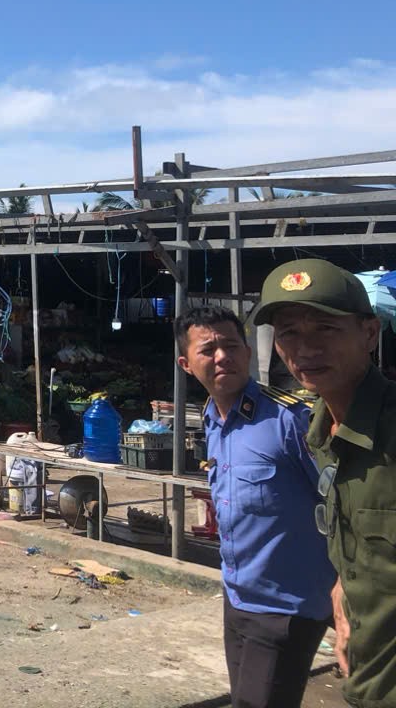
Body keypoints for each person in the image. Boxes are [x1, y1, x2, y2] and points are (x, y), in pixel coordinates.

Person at [253, 258, 396, 707]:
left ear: (369, 334)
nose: (306, 348)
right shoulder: (320, 432)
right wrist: (343, 591)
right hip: (367, 678)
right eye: (289, 332)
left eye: (326, 329)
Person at [175, 304, 333, 708]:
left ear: (247, 353)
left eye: (231, 346)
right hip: (237, 598)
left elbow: (340, 502)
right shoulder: (212, 421)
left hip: (287, 607)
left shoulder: (290, 420)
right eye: (207, 350)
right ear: (186, 364)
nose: (222, 357)